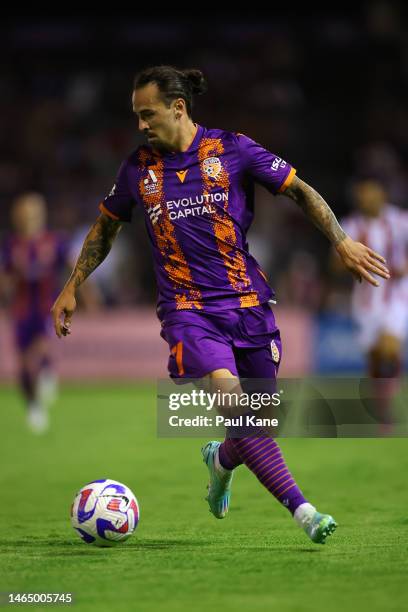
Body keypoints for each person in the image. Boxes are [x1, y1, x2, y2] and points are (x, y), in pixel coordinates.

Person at [51, 66, 389, 544]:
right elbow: (106, 227)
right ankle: (305, 512)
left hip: (249, 305)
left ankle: (221, 459)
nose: (140, 125)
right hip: (188, 311)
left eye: (147, 114)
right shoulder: (137, 169)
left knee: (255, 427)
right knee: (235, 405)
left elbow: (299, 190)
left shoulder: (232, 149)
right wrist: (72, 284)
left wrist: (341, 241)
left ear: (178, 108)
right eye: (136, 116)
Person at [339, 177, 408, 431]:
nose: (366, 199)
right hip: (366, 302)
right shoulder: (350, 225)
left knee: (389, 349)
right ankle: (383, 411)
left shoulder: (400, 220)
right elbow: (334, 264)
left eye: (371, 194)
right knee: (375, 361)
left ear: (381, 195)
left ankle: (390, 407)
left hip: (396, 297)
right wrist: (349, 261)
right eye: (362, 195)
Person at [0, 193, 68, 432]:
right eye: (24, 213)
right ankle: (33, 405)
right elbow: (6, 276)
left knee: (36, 353)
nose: (28, 218)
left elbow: (71, 266)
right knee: (22, 365)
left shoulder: (54, 241)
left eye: (33, 212)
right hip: (21, 311)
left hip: (46, 309)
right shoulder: (12, 245)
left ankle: (46, 368)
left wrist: (84, 294)